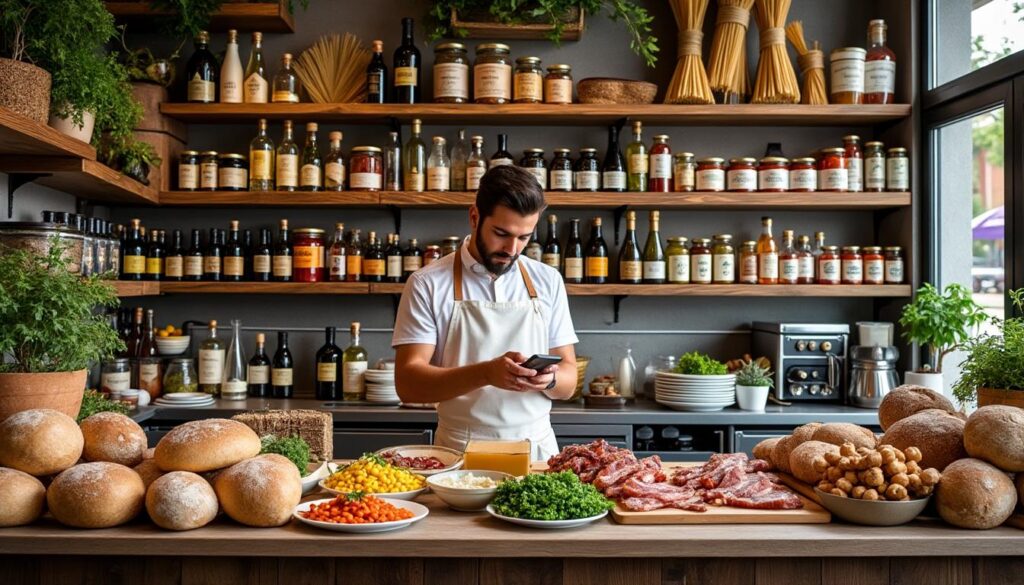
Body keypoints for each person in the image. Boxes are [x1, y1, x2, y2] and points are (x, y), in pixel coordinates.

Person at [392, 165, 578, 460]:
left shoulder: (547, 280)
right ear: (475, 217)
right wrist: (486, 373)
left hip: (537, 453)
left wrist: (550, 380)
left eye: (524, 237)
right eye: (501, 233)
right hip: (459, 453)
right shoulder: (427, 283)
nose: (512, 249)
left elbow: (568, 380)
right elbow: (409, 384)